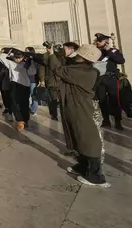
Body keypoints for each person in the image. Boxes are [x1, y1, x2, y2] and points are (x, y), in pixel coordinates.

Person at [46, 44, 110, 188]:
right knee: (77, 135)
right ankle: (83, 165)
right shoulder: (81, 68)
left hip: (82, 108)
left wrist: (51, 55)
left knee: (87, 138)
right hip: (74, 106)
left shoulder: (88, 72)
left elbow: (60, 70)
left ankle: (96, 175)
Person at [38, 42, 79, 156]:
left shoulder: (75, 60)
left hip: (69, 92)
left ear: (71, 49)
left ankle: (77, 148)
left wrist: (53, 55)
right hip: (55, 84)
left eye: (63, 48)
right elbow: (44, 64)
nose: (61, 50)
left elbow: (59, 69)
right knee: (63, 115)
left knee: (72, 121)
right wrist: (50, 53)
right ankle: (71, 147)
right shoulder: (51, 57)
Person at [93, 33, 125, 130]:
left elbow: (121, 61)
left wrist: (109, 52)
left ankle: (118, 121)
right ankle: (106, 120)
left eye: (100, 41)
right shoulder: (96, 52)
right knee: (102, 101)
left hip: (111, 78)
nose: (97, 42)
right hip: (100, 79)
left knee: (114, 100)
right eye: (97, 41)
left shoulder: (114, 51)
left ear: (106, 42)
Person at [0, 48, 31, 132]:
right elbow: (1, 57)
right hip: (14, 84)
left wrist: (29, 61)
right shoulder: (11, 63)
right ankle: (19, 120)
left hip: (25, 85)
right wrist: (9, 51)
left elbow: (33, 72)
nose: (17, 59)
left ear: (23, 57)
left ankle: (25, 120)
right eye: (16, 57)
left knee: (24, 103)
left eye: (19, 57)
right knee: (14, 102)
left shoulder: (28, 63)